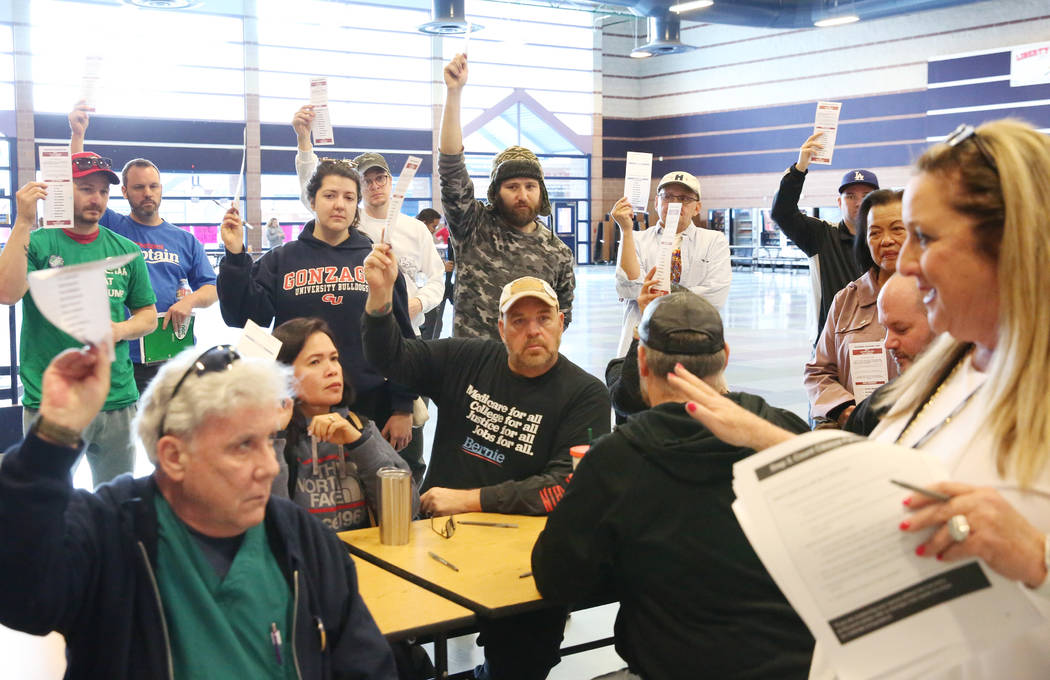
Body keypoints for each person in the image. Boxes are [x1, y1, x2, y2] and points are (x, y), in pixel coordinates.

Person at [669, 119, 1050, 678]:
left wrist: (1037, 564)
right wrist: (770, 441)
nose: (905, 260)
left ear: (1010, 241)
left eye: (926, 236)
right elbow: (892, 484)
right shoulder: (951, 364)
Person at [0, 344, 396, 678]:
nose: (270, 466)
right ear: (173, 457)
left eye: (266, 441)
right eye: (243, 446)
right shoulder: (108, 531)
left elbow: (365, 666)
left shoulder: (300, 539)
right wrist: (51, 442)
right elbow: (23, 598)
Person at [533, 292, 814, 680]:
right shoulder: (785, 433)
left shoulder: (616, 460)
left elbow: (555, 579)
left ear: (642, 362)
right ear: (726, 356)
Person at [362, 247, 610, 680]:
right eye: (518, 321)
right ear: (501, 328)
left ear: (561, 323)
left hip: (522, 551)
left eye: (543, 319)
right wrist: (381, 301)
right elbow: (392, 359)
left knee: (526, 656)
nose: (532, 331)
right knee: (382, 638)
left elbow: (566, 485)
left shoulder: (585, 394)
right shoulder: (468, 359)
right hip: (439, 541)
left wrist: (471, 499)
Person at [216, 158, 419, 458]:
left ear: (357, 206)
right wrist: (235, 256)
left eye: (349, 197)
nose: (339, 205)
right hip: (298, 407)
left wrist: (403, 407)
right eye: (329, 195)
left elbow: (401, 335)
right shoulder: (281, 260)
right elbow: (242, 316)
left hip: (369, 403)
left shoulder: (377, 260)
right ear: (312, 201)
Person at [0, 154, 157, 485]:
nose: (96, 199)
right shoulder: (39, 243)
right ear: (62, 190)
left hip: (117, 399)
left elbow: (147, 316)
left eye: (102, 191)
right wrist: (23, 222)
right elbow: (7, 294)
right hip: (53, 404)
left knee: (116, 505)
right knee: (45, 502)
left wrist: (121, 329)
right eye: (86, 189)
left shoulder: (125, 249)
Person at [69, 103, 218, 395]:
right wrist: (77, 136)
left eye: (153, 186)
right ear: (124, 192)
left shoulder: (185, 240)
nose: (147, 193)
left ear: (161, 189)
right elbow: (78, 186)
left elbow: (211, 288)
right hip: (124, 355)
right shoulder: (112, 226)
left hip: (173, 355)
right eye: (138, 188)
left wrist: (189, 302)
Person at [438, 53, 576, 340]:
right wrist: (454, 93)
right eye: (512, 187)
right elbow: (451, 168)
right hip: (471, 369)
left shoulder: (558, 252)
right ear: (496, 192)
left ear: (542, 191)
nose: (522, 195)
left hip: (527, 374)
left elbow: (562, 318)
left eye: (530, 186)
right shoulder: (473, 227)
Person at [292, 106, 444, 339]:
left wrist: (418, 303)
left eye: (380, 178)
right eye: (366, 180)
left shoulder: (416, 229)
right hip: (357, 330)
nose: (374, 186)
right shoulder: (349, 224)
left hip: (405, 332)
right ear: (358, 187)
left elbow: (436, 278)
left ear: (390, 180)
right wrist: (304, 142)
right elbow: (310, 195)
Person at [270, 317, 419, 531]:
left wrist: (359, 443)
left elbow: (407, 511)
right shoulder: (272, 438)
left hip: (365, 559)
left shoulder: (360, 427)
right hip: (305, 561)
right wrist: (274, 436)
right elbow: (273, 528)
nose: (332, 370)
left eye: (334, 358)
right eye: (315, 362)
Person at [804, 189, 904, 427]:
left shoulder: (936, 297)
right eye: (875, 232)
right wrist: (842, 409)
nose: (886, 240)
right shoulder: (846, 300)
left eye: (897, 229)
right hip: (855, 430)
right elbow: (819, 372)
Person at [612, 170, 731, 356]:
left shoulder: (714, 241)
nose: (674, 204)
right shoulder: (635, 240)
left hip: (694, 341)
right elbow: (627, 288)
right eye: (667, 197)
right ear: (656, 203)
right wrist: (625, 230)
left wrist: (653, 293)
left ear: (697, 207)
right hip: (644, 341)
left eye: (684, 198)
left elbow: (715, 295)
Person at [771, 133, 878, 338]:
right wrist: (799, 169)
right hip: (830, 342)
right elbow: (782, 212)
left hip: (881, 340)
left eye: (867, 196)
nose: (858, 202)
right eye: (850, 196)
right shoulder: (821, 236)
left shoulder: (887, 242)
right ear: (839, 203)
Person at [842, 273, 937, 435]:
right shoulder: (876, 408)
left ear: (940, 321)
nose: (888, 343)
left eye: (901, 329)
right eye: (885, 329)